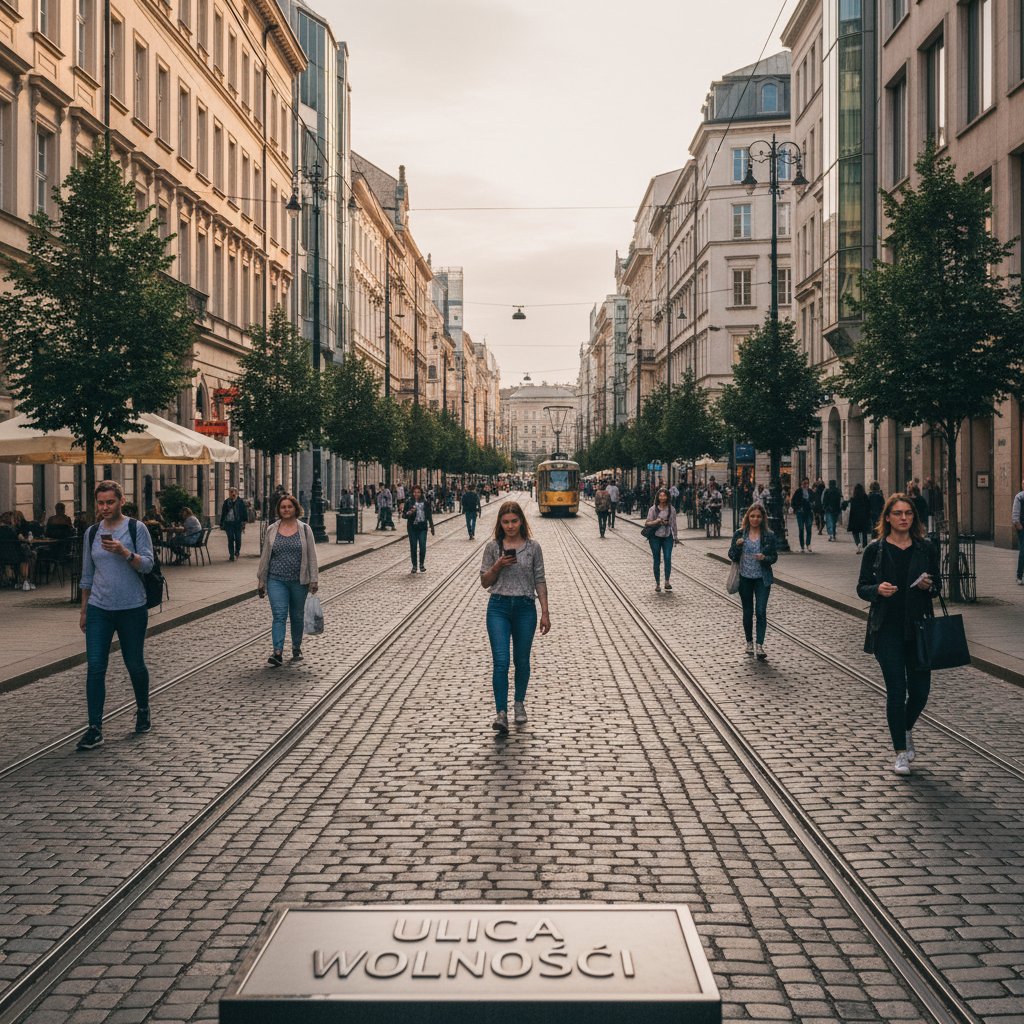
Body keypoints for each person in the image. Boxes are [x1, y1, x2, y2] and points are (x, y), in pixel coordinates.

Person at [857, 493, 940, 775]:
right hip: (887, 628)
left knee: (920, 692)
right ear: (888, 518)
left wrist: (929, 584)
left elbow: (938, 585)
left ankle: (904, 728)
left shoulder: (925, 548)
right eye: (898, 513)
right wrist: (877, 590)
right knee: (896, 690)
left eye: (908, 513)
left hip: (918, 627)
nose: (904, 518)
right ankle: (900, 753)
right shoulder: (875, 550)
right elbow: (862, 587)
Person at [75, 481, 155, 751]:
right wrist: (85, 609)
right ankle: (95, 727)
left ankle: (143, 709)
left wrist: (124, 552)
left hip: (132, 607)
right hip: (100, 608)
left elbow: (147, 564)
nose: (105, 507)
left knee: (134, 664)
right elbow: (87, 575)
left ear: (121, 500)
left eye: (110, 502)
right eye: (100, 503)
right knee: (95, 667)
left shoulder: (136, 528)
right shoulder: (92, 533)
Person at [479, 500, 550, 734]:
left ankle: (519, 703)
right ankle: (501, 713)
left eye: (514, 521)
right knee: (501, 662)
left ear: (521, 521)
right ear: (500, 523)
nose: (510, 526)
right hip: (498, 607)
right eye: (506, 522)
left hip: (524, 608)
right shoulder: (492, 548)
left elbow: (539, 579)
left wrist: (545, 612)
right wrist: (498, 564)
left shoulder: (533, 547)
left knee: (521, 661)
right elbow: (484, 582)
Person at [257, 494, 319, 666]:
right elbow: (265, 556)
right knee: (279, 615)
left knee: (297, 616)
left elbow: (312, 556)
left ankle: (296, 647)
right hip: (276, 580)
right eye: (283, 507)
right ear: (279, 510)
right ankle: (277, 652)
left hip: (299, 581)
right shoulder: (272, 529)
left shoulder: (305, 529)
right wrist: (261, 579)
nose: (286, 509)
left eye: (289, 506)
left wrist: (314, 579)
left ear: (295, 508)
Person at [728, 503, 779, 660]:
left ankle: (760, 645)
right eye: (752, 516)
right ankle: (749, 642)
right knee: (748, 612)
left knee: (761, 611)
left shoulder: (768, 535)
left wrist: (765, 558)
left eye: (758, 516)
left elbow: (774, 557)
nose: (755, 519)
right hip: (745, 578)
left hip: (762, 579)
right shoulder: (740, 534)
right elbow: (731, 555)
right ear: (748, 517)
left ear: (763, 518)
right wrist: (737, 547)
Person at [644, 488, 678, 592]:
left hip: (667, 536)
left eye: (664, 495)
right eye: (660, 495)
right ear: (658, 497)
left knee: (667, 558)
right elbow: (647, 523)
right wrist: (657, 521)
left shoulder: (672, 509)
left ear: (668, 497)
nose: (662, 497)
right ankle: (658, 583)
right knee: (657, 560)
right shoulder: (653, 509)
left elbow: (674, 524)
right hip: (655, 537)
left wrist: (675, 537)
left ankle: (667, 582)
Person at [403, 484, 435, 573]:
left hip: (422, 527)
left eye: (418, 492)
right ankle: (414, 566)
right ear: (412, 493)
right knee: (413, 547)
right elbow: (404, 515)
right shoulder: (409, 502)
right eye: (414, 492)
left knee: (422, 546)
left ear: (421, 493)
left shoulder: (425, 503)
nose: (416, 494)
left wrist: (432, 527)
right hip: (412, 528)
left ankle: (421, 564)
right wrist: (409, 512)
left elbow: (429, 516)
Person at [220, 486, 247, 562]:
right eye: (231, 492)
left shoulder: (240, 501)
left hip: (238, 523)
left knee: (238, 539)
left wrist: (244, 521)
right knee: (230, 539)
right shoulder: (226, 502)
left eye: (233, 492)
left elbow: (244, 512)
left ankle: (237, 551)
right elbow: (223, 513)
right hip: (229, 523)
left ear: (236, 493)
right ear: (229, 493)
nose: (232, 493)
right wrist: (221, 523)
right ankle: (231, 555)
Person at [790, 477, 815, 553]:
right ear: (801, 484)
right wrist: (797, 508)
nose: (806, 485)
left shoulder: (810, 491)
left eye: (807, 483)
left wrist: (812, 505)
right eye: (804, 483)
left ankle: (808, 544)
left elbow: (814, 500)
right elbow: (793, 501)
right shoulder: (798, 491)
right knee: (801, 529)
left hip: (808, 513)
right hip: (800, 513)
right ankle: (802, 546)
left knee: (808, 528)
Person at [847, 482, 872, 554]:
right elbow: (868, 507)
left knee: (855, 532)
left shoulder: (853, 498)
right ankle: (865, 546)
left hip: (855, 518)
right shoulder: (865, 497)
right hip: (864, 518)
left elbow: (850, 508)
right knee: (864, 533)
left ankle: (858, 544)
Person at [1013, 481, 1024, 585]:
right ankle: (1019, 575)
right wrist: (1018, 525)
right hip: (1022, 527)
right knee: (1023, 551)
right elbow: (1015, 514)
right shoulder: (1020, 497)